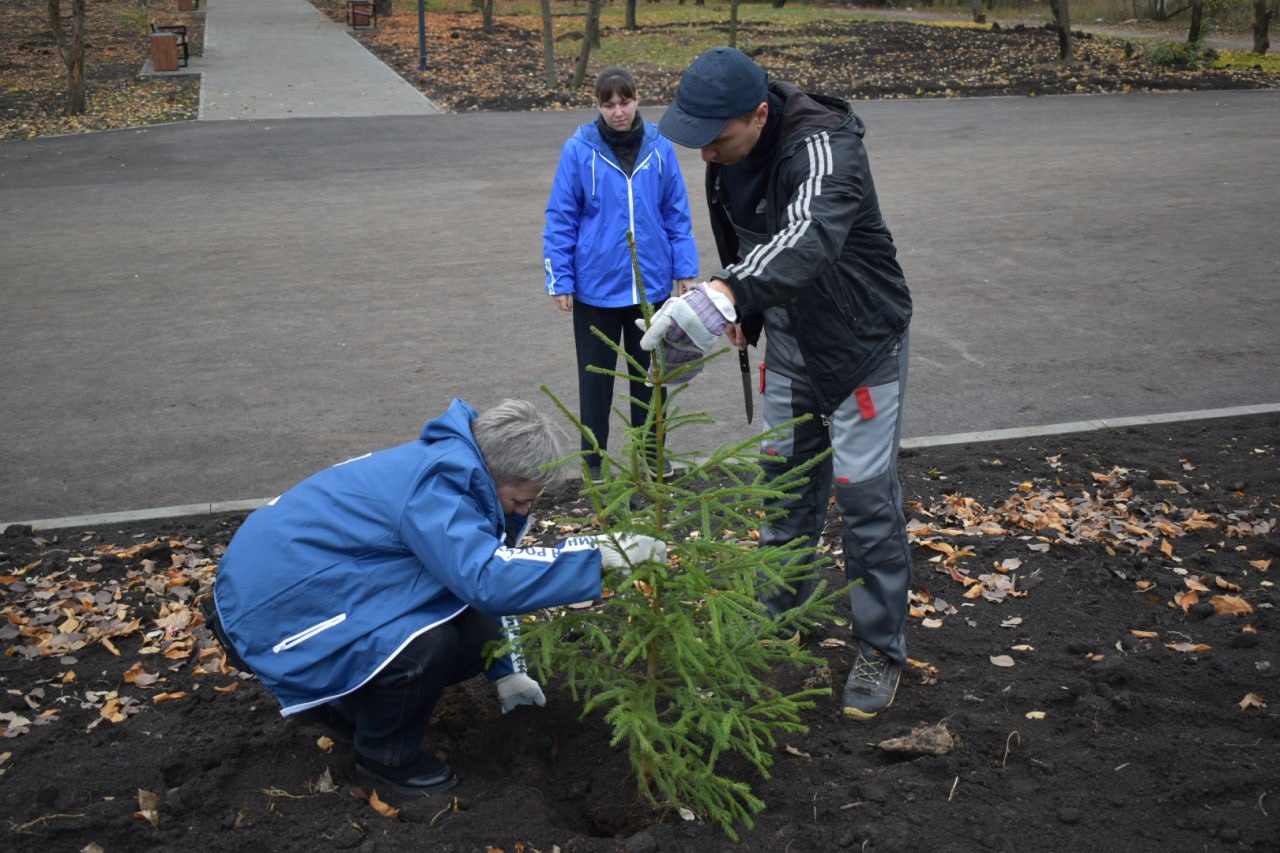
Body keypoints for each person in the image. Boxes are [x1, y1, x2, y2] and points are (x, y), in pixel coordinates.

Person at [207, 399, 664, 794]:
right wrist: (596, 556)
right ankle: (384, 759)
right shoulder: (437, 490)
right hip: (267, 612)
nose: (526, 510)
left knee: (464, 623)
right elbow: (489, 580)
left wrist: (508, 672)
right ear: (495, 471)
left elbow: (487, 574)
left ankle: (355, 706)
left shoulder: (461, 469)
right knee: (425, 646)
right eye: (520, 501)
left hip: (316, 582)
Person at [646, 47, 914, 720]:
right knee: (783, 485)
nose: (705, 154)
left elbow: (807, 237)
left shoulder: (826, 147)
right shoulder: (726, 156)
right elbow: (747, 244)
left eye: (716, 138)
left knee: (865, 499)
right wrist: (748, 314)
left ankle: (880, 647)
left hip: (859, 345)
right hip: (792, 347)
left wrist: (725, 294)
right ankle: (778, 613)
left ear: (760, 115)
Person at [543, 66, 700, 480]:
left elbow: (676, 213)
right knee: (595, 382)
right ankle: (594, 462)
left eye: (625, 102)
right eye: (609, 104)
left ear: (637, 100)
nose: (618, 112)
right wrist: (560, 279)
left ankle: (651, 453)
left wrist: (685, 269)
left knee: (651, 379)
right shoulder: (578, 150)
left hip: (651, 288)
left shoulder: (660, 147)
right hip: (595, 289)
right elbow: (561, 217)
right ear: (597, 105)